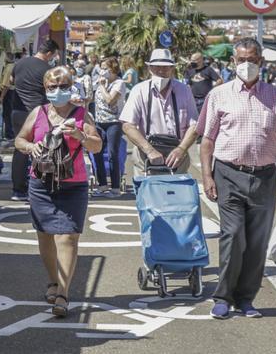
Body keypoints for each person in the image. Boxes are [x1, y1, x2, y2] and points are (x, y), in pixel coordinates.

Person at [198, 38, 276, 319]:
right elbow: (207, 141)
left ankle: (246, 298)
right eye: (242, 60)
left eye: (253, 60)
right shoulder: (218, 95)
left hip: (265, 178)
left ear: (261, 62)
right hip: (228, 174)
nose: (247, 65)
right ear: (233, 62)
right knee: (233, 236)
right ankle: (222, 296)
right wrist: (207, 176)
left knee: (257, 243)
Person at [14, 66, 102, 318]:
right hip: (41, 183)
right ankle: (53, 281)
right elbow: (19, 139)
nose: (58, 91)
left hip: (73, 184)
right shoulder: (38, 113)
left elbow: (97, 146)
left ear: (71, 86)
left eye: (63, 86)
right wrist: (31, 146)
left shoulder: (82, 115)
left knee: (68, 236)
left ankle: (63, 293)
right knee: (45, 235)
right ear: (45, 89)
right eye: (53, 87)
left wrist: (79, 134)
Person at [119, 49, 200, 176]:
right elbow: (128, 125)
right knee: (148, 193)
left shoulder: (184, 91)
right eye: (157, 67)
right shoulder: (139, 90)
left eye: (166, 67)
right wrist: (149, 150)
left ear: (172, 69)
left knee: (177, 194)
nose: (161, 71)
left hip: (177, 155)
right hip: (146, 154)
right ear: (150, 68)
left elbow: (194, 125)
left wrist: (181, 149)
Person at [9, 39, 60, 201]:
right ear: (49, 53)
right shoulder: (48, 70)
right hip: (38, 114)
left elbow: (11, 81)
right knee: (42, 149)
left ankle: (18, 190)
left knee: (20, 149)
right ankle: (41, 188)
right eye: (55, 55)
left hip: (17, 111)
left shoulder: (19, 64)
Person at [92, 58, 126, 197]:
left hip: (113, 122)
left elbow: (111, 101)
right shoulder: (101, 81)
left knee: (112, 154)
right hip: (99, 122)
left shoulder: (119, 83)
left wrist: (101, 87)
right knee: (97, 152)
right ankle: (102, 185)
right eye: (101, 68)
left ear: (113, 69)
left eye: (105, 68)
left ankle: (115, 188)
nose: (102, 71)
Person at [0, 52, 21, 139]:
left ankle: (10, 134)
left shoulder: (9, 67)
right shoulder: (14, 65)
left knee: (7, 114)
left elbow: (6, 85)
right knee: (8, 113)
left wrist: (1, 97)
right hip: (12, 92)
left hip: (9, 93)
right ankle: (10, 133)